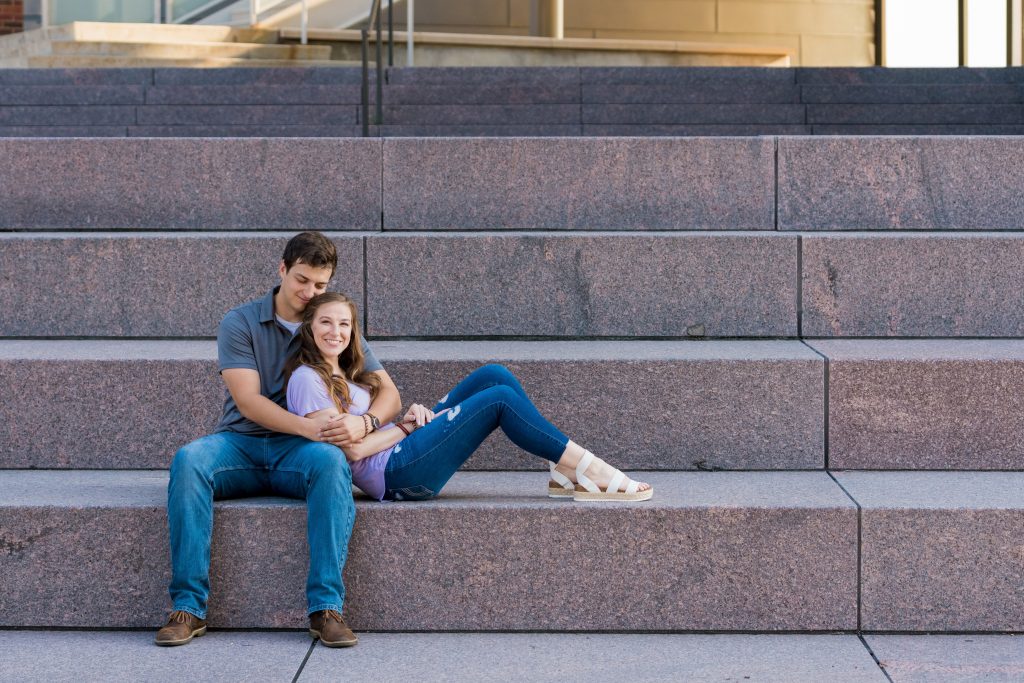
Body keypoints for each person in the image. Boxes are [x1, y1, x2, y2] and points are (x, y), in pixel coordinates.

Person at [156, 232, 401, 648]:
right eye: (302, 280)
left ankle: (326, 609)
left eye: (320, 285)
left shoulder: (333, 322)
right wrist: (314, 428)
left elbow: (390, 394)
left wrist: (367, 422)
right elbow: (249, 402)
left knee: (329, 463)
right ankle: (188, 608)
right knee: (189, 460)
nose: (310, 293)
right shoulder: (241, 322)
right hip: (242, 443)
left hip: (300, 454)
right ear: (282, 270)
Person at [285, 292, 653, 507]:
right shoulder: (307, 379)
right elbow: (350, 452)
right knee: (499, 400)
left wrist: (408, 424)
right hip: (395, 475)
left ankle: (566, 470)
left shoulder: (346, 372)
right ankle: (592, 469)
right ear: (310, 329)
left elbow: (372, 424)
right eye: (326, 323)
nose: (336, 332)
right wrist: (405, 426)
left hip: (402, 451)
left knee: (494, 375)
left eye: (344, 324)